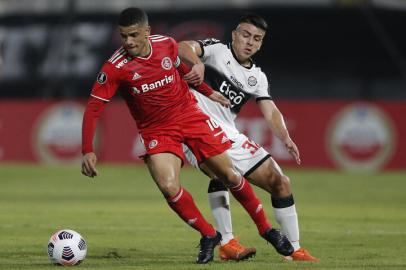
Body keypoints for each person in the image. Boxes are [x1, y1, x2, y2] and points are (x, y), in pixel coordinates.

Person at [81, 7, 294, 264]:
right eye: (124, 36)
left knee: (228, 174)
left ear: (147, 32)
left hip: (190, 116)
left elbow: (181, 68)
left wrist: (207, 91)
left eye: (134, 35)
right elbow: (94, 107)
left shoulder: (165, 45)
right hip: (156, 129)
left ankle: (266, 229)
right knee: (168, 186)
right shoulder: (115, 67)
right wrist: (87, 149)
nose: (128, 42)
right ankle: (209, 235)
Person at [178, 14, 318, 262]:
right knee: (220, 171)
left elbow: (271, 110)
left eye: (257, 38)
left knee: (280, 181)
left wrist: (285, 137)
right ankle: (227, 242)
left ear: (261, 44)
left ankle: (294, 250)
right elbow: (182, 46)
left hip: (228, 133)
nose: (250, 42)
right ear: (234, 35)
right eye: (245, 35)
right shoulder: (216, 50)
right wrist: (196, 63)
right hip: (194, 126)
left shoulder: (258, 78)